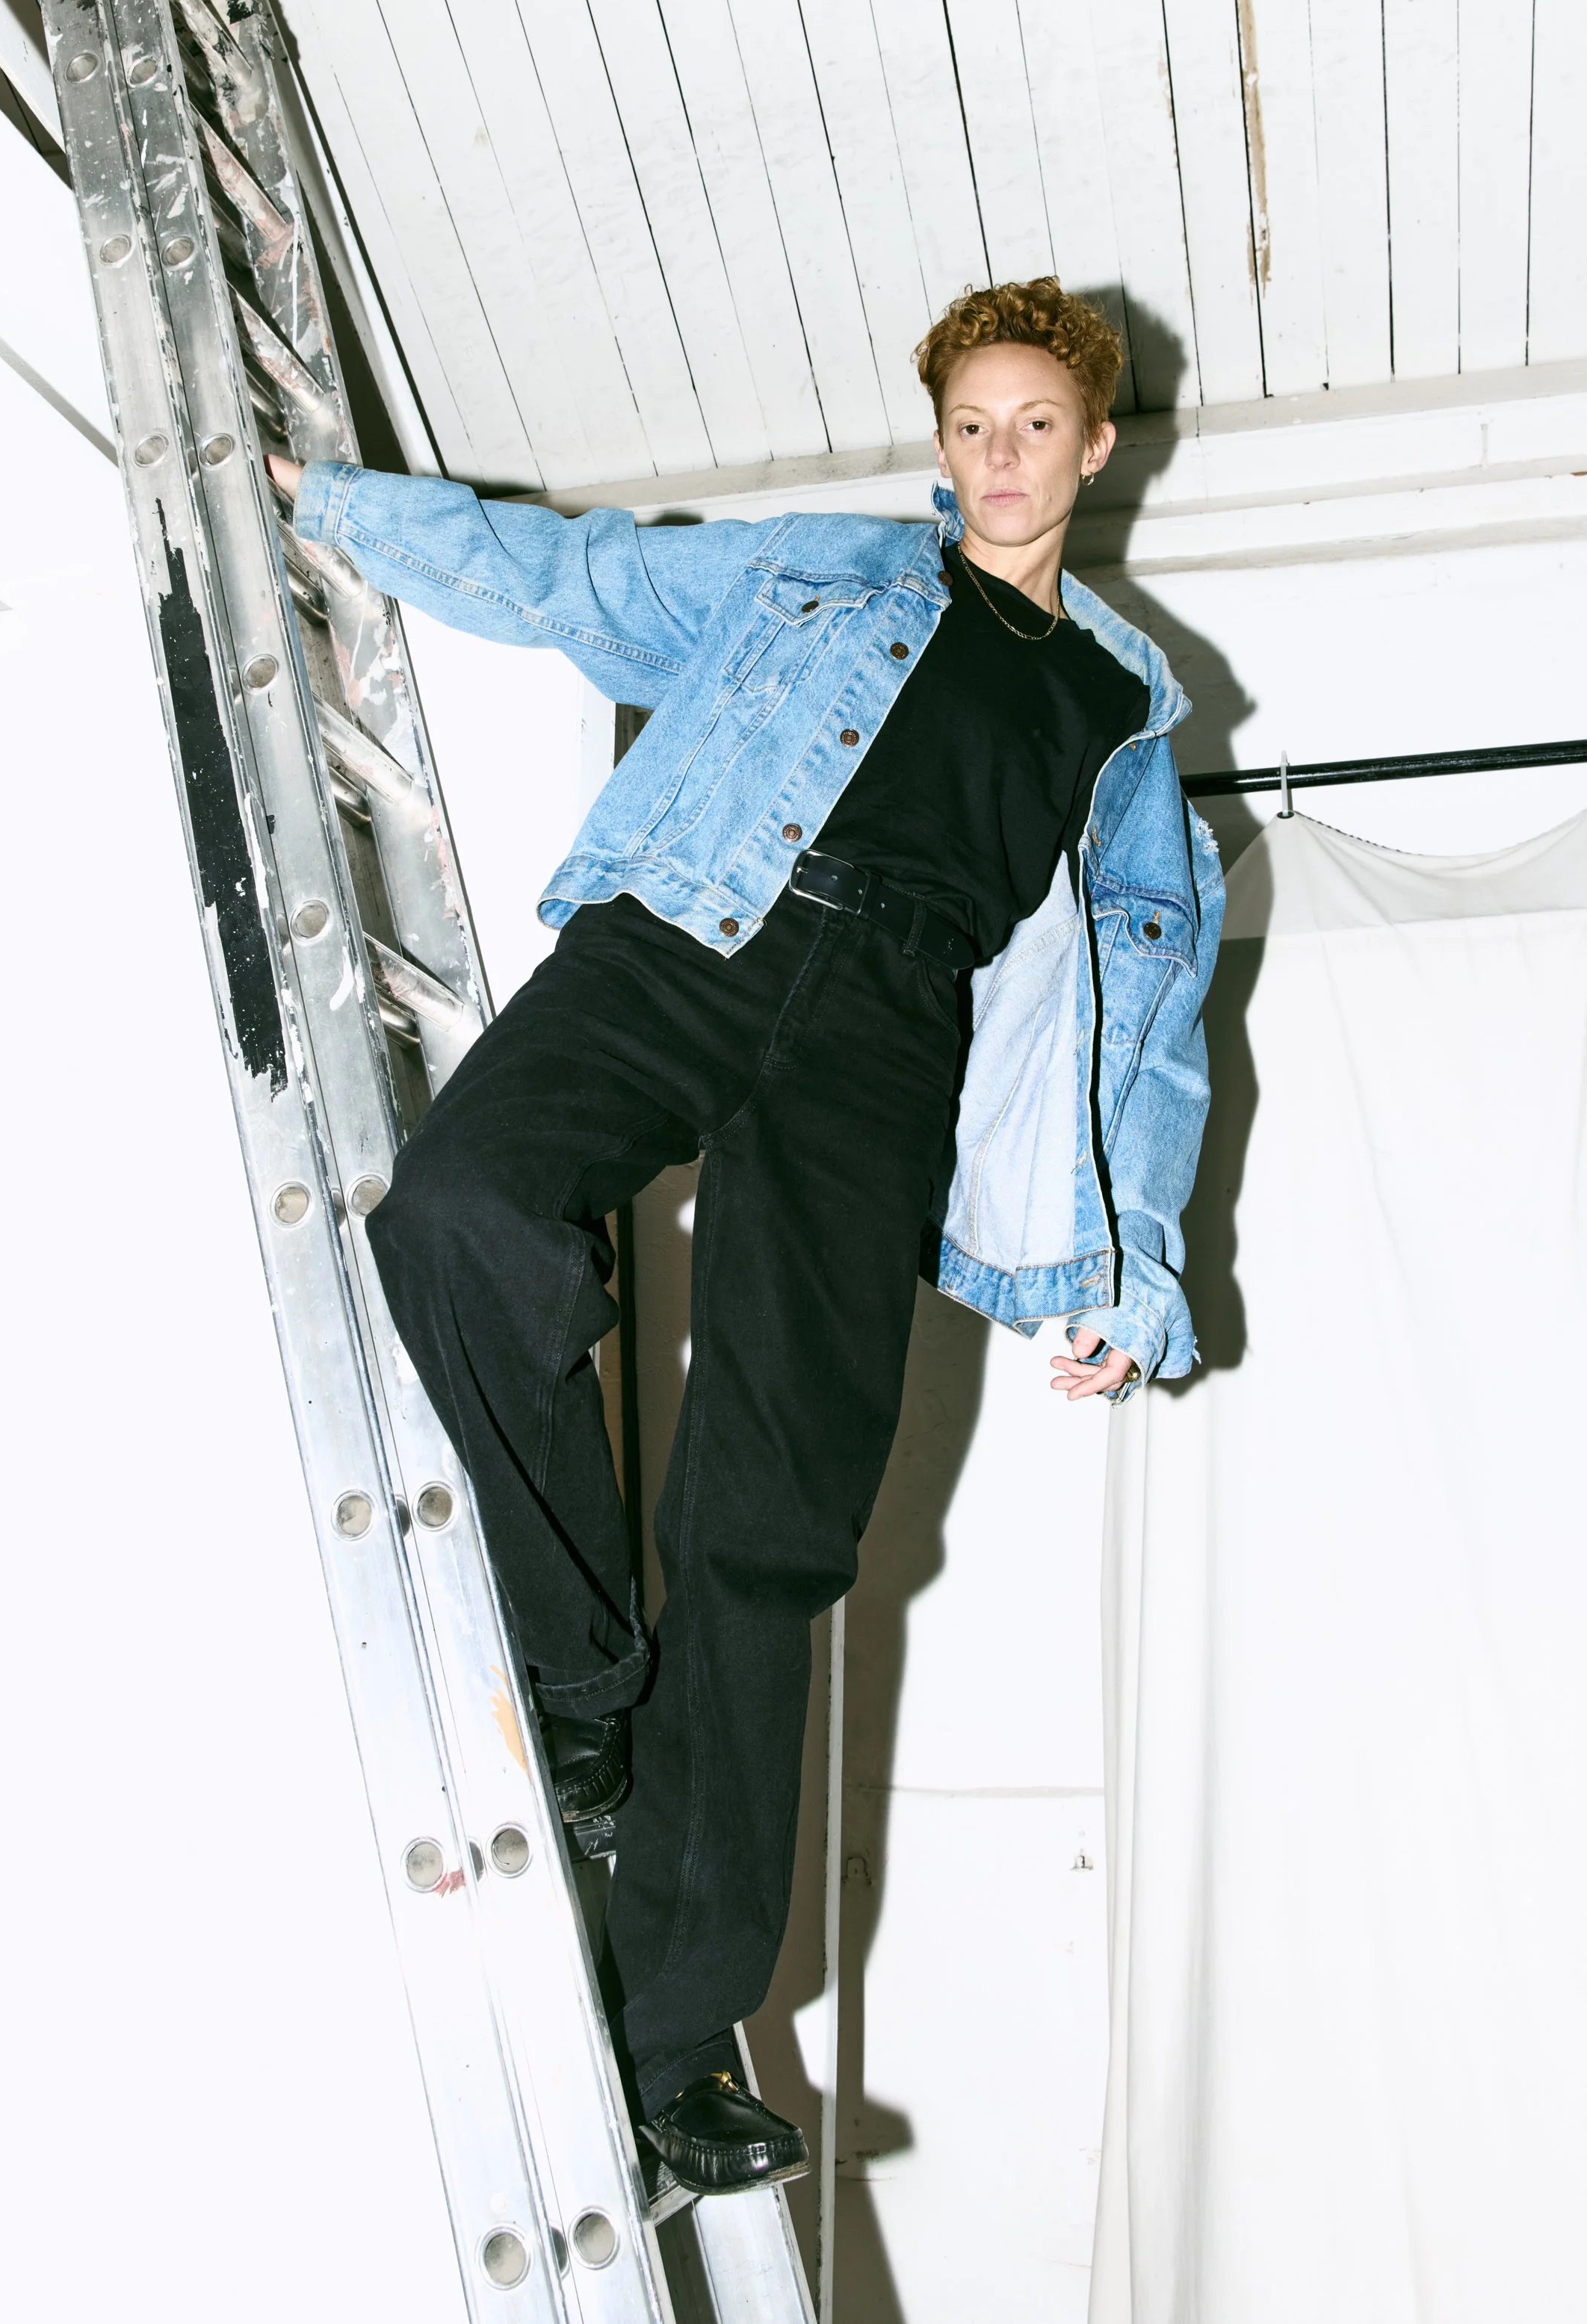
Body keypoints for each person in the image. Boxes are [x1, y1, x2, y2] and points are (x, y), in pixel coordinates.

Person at [265, 276, 1224, 2197]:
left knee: (771, 1526)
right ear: (939, 438)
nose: (1000, 455)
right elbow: (576, 579)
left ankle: (672, 2039)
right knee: (458, 1206)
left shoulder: (1117, 703)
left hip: (887, 1034)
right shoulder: (817, 570)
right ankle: (584, 1671)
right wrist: (335, 505)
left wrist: (1131, 1268)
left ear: (1096, 444)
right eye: (971, 422)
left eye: (1038, 421)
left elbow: (1146, 988)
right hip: (699, 925)